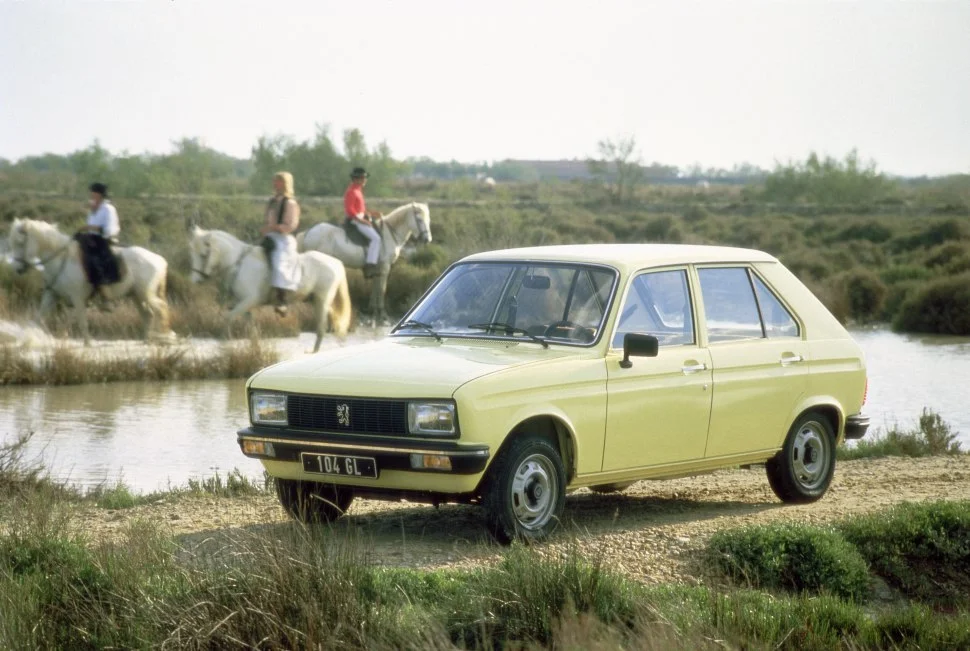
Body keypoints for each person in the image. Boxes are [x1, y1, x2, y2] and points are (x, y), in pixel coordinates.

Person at [261, 171, 301, 316]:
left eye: (278, 181)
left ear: (285, 184)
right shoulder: (272, 201)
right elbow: (268, 220)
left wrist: (273, 227)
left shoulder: (290, 203)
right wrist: (266, 229)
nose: (275, 184)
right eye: (275, 181)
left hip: (284, 239)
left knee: (279, 263)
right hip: (271, 236)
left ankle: (282, 300)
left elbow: (290, 226)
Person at [75, 182, 122, 301]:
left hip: (104, 238)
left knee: (93, 259)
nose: (92, 195)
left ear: (100, 195)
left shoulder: (108, 209)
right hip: (92, 237)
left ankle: (102, 288)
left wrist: (89, 228)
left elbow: (109, 228)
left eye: (94, 193)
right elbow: (91, 224)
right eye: (92, 193)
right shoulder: (94, 208)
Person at [343, 167, 382, 278]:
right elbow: (350, 210)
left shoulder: (358, 190)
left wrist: (372, 213)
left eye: (365, 178)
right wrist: (363, 221)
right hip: (355, 220)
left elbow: (361, 209)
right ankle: (370, 267)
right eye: (363, 178)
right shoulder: (351, 191)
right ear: (357, 179)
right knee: (376, 238)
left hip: (360, 217)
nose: (365, 180)